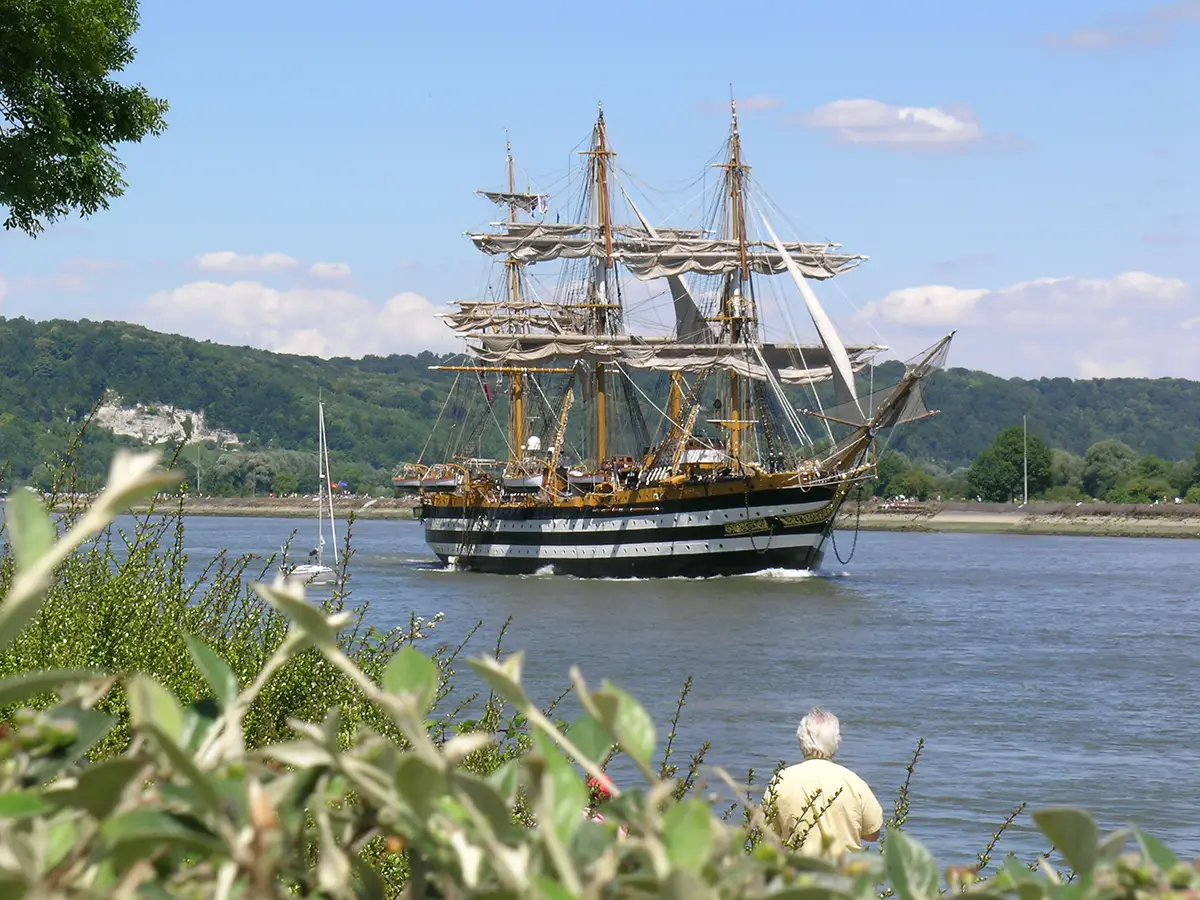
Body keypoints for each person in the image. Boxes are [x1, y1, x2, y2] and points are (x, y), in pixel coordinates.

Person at [760, 707, 883, 858]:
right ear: (836, 742)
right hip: (844, 875)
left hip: (797, 875)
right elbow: (872, 834)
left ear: (801, 741)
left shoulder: (780, 781)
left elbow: (767, 836)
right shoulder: (853, 782)